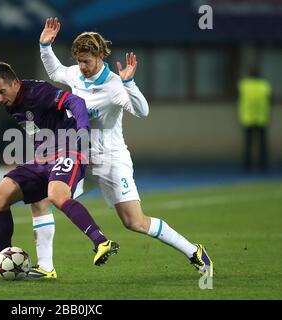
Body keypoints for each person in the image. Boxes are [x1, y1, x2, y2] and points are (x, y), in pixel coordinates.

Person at [26, 17, 213, 279]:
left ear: (100, 56)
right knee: (43, 199)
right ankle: (46, 268)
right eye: (79, 61)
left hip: (111, 159)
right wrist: (45, 47)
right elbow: (58, 72)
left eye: (86, 62)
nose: (82, 67)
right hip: (80, 157)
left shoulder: (114, 85)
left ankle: (194, 251)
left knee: (134, 222)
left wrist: (129, 84)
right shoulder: (76, 74)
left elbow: (142, 111)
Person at [0, 62, 119, 281]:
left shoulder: (37, 91)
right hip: (44, 158)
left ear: (15, 83)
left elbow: (75, 100)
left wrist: (82, 130)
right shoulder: (11, 103)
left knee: (56, 195)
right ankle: (4, 264)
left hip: (69, 151)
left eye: (2, 92)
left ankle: (101, 241)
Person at [238, 66, 272, 173]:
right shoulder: (264, 85)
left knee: (248, 144)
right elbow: (269, 100)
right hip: (262, 117)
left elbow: (239, 98)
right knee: (262, 144)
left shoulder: (244, 85)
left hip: (247, 118)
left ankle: (247, 166)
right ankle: (263, 165)